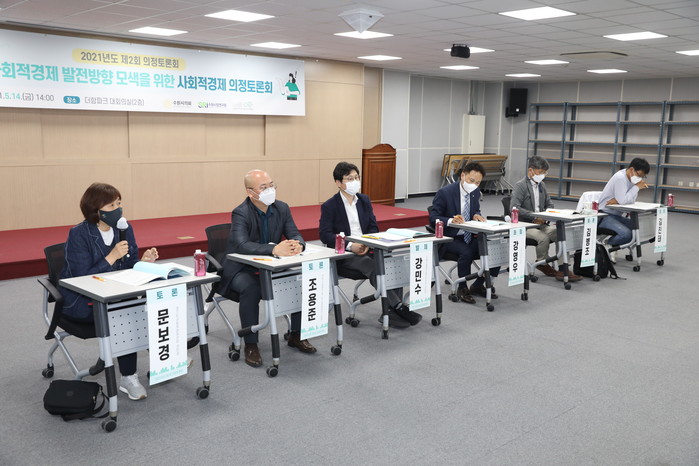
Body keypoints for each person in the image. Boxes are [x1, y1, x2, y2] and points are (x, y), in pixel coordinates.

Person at [60, 182, 159, 401]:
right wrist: (111, 257)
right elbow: (82, 278)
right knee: (126, 312)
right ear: (96, 209)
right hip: (83, 300)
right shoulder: (79, 234)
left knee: (143, 305)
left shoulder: (124, 228)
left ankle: (165, 357)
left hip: (116, 295)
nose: (118, 209)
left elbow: (130, 264)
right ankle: (129, 377)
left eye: (119, 203)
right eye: (112, 205)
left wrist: (143, 262)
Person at [220, 169, 316, 368]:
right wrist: (273, 249)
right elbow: (241, 244)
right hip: (242, 267)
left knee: (297, 281)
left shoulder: (282, 208)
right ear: (250, 192)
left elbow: (295, 233)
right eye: (263, 187)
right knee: (251, 288)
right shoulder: (241, 212)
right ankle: (250, 344)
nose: (270, 190)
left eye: (271, 185)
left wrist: (298, 244)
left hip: (272, 266)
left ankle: (296, 334)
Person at [319, 162, 421, 328]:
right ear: (338, 183)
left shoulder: (364, 200)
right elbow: (325, 235)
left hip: (367, 247)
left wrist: (368, 243)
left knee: (392, 261)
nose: (354, 181)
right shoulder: (330, 205)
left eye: (356, 177)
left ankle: (390, 312)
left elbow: (373, 227)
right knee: (372, 265)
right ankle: (399, 307)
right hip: (345, 255)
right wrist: (350, 245)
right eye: (349, 179)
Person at [429, 162, 500, 304]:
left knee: (495, 249)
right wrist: (451, 220)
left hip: (470, 234)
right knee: (466, 252)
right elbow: (433, 218)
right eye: (471, 180)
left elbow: (476, 210)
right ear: (462, 175)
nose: (474, 185)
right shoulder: (445, 193)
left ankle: (478, 285)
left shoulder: (475, 192)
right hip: (450, 237)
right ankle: (462, 288)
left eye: (478, 183)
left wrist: (477, 215)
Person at [510, 156, 581, 282]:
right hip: (525, 224)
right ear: (530, 170)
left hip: (541, 223)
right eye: (540, 172)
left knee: (561, 234)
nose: (542, 175)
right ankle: (542, 263)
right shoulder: (520, 186)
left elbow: (550, 204)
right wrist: (534, 216)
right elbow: (514, 208)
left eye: (544, 173)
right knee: (543, 238)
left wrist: (546, 215)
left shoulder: (542, 185)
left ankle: (563, 268)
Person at [598, 157, 651, 248]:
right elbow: (623, 201)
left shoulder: (632, 179)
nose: (640, 178)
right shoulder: (620, 178)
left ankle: (612, 245)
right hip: (604, 215)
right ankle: (608, 246)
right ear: (631, 169)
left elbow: (631, 201)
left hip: (616, 215)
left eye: (642, 177)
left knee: (638, 230)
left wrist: (618, 200)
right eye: (639, 175)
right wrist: (636, 188)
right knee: (627, 234)